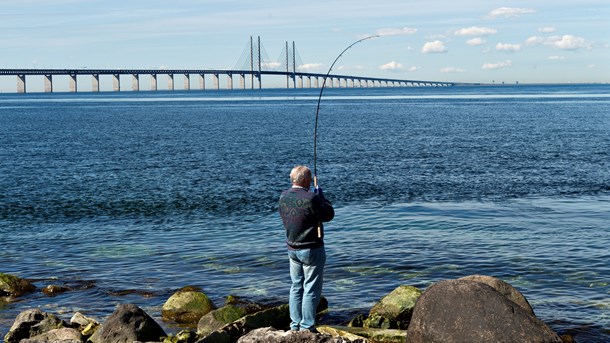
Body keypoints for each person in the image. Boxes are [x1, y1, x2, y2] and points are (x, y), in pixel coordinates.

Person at [278, 165, 334, 333]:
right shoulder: (311, 198)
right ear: (303, 180)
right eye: (309, 179)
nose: (310, 182)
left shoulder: (283, 196)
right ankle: (307, 326)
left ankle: (294, 325)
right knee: (311, 288)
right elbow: (329, 215)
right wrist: (322, 197)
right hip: (312, 249)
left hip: (292, 248)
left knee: (296, 286)